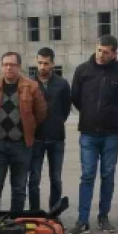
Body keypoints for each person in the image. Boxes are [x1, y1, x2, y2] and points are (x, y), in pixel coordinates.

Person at [69, 35, 118, 234]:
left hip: (112, 134)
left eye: (106, 52)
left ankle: (103, 217)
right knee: (87, 175)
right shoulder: (82, 70)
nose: (101, 54)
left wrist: (112, 114)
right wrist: (89, 114)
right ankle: (82, 220)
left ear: (114, 53)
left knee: (107, 175)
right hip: (88, 132)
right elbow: (76, 98)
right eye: (98, 50)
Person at [0, 52, 47, 213]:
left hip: (22, 145)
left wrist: (28, 127)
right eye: (5, 64)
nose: (8, 68)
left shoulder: (31, 86)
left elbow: (40, 113)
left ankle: (15, 223)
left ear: (19, 67)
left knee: (18, 189)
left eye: (12, 64)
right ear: (1, 66)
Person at [28, 48, 72, 212]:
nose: (42, 67)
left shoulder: (62, 84)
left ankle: (54, 212)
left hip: (56, 138)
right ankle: (35, 213)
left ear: (52, 64)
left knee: (56, 178)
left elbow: (66, 110)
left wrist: (56, 122)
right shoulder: (29, 84)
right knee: (34, 179)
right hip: (36, 139)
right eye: (40, 63)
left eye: (46, 63)